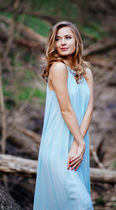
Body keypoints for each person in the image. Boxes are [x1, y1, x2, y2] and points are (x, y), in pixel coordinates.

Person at [33, 21, 94, 210]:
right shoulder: (57, 68)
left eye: (68, 37)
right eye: (58, 39)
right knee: (81, 204)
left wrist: (78, 144)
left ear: (77, 41)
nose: (63, 42)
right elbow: (66, 110)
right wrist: (80, 143)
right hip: (57, 145)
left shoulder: (87, 72)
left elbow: (89, 110)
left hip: (76, 144)